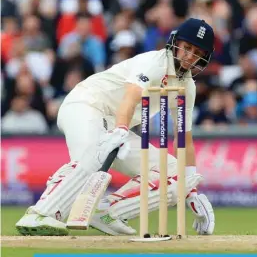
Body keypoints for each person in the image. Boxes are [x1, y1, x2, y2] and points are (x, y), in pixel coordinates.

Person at [16, 18, 215, 236]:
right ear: (175, 43)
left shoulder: (187, 87)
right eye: (187, 48)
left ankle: (108, 213)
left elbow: (183, 137)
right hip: (86, 104)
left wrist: (191, 191)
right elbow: (130, 98)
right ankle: (41, 212)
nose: (189, 56)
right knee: (93, 155)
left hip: (114, 123)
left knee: (177, 174)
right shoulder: (154, 63)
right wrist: (120, 129)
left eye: (197, 53)